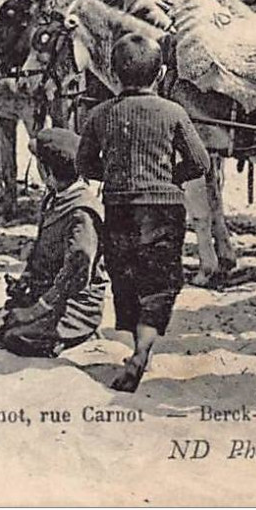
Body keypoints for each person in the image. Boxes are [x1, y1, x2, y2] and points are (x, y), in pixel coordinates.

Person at [77, 31, 211, 392]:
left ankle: (136, 348)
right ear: (162, 73)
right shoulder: (173, 112)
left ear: (115, 75)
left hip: (118, 206)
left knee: (127, 277)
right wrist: (169, 177)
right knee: (160, 282)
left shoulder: (99, 114)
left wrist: (115, 174)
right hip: (164, 208)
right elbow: (201, 162)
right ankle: (142, 351)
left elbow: (84, 164)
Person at [0, 128, 107, 357]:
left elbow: (77, 272)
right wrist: (25, 279)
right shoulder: (54, 196)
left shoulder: (82, 212)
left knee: (15, 338)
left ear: (46, 171)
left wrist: (38, 309)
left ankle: (77, 333)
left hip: (74, 302)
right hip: (44, 289)